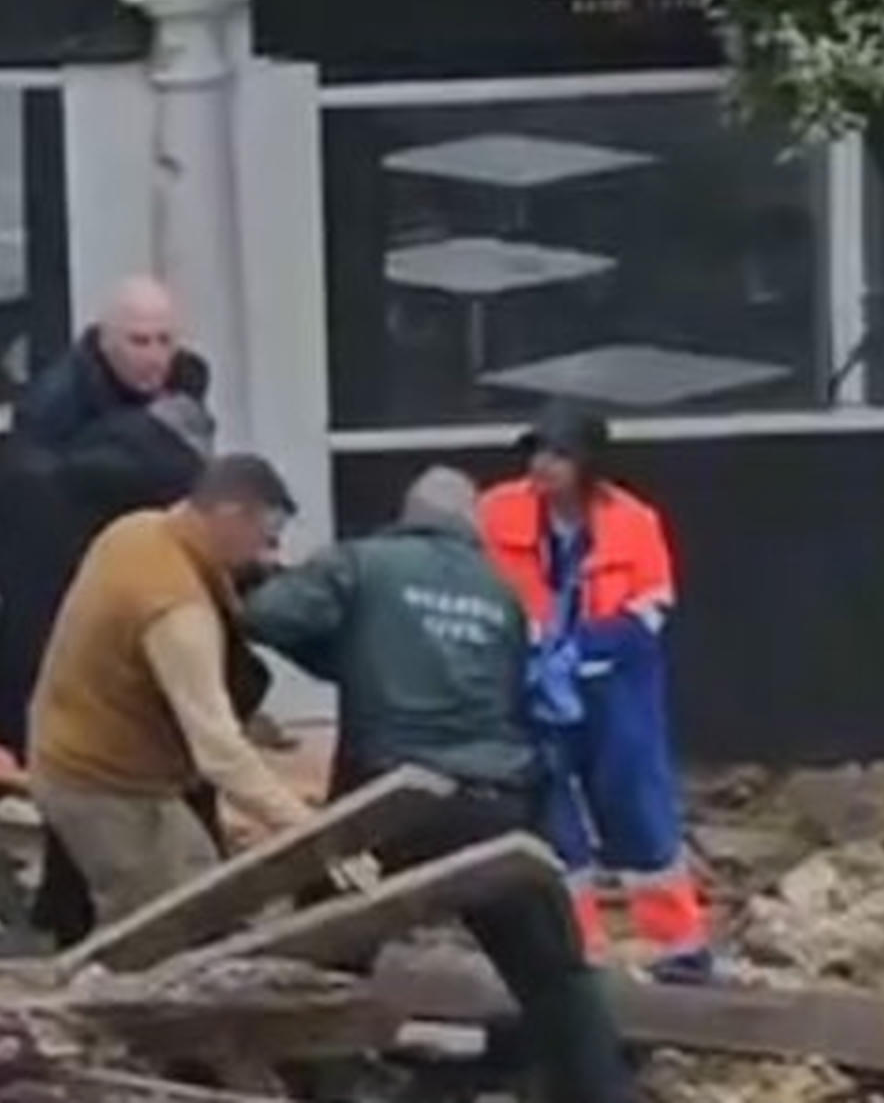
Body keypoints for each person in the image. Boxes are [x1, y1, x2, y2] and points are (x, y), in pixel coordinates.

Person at [244, 466, 635, 1103]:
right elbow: (517, 699)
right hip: (491, 806)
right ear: (470, 527)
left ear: (408, 513)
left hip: (385, 804)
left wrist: (338, 648)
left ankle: (309, 1084)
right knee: (556, 975)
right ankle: (598, 1091)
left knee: (318, 957)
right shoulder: (502, 593)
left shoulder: (361, 562)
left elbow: (268, 616)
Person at [0, 275, 217, 945]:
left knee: (172, 761)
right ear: (105, 341)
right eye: (139, 341)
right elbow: (44, 515)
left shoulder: (182, 390)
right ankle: (79, 920)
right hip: (72, 604)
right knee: (88, 773)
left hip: (146, 595)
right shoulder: (55, 410)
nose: (154, 357)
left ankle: (99, 912)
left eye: (165, 340)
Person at [477, 401, 714, 984]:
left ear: (588, 465)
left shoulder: (634, 521)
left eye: (558, 453)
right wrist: (526, 646)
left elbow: (651, 608)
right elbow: (477, 584)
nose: (542, 465)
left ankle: (679, 945)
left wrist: (584, 648)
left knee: (636, 803)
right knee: (550, 814)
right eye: (537, 451)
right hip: (528, 682)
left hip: (616, 686)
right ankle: (574, 946)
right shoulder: (496, 513)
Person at [27, 455, 315, 924]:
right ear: (230, 514)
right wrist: (303, 826)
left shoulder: (136, 531)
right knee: (154, 928)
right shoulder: (176, 611)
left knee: (207, 893)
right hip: (100, 784)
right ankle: (121, 993)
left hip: (89, 756)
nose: (267, 555)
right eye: (266, 538)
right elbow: (219, 751)